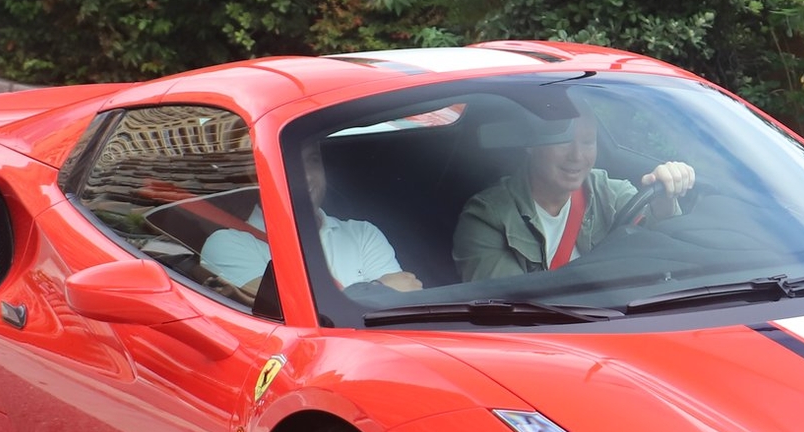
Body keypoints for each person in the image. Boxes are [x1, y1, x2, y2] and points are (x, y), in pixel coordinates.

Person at [453, 110, 694, 282]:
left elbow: (675, 256)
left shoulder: (609, 192)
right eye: (563, 140)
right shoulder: (487, 218)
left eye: (588, 142)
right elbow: (509, 312)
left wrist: (665, 204)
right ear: (532, 144)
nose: (577, 156)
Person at [200, 144, 422, 298]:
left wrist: (376, 294)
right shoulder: (228, 245)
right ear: (255, 173)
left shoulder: (363, 234)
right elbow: (292, 321)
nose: (306, 175)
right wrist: (379, 289)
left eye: (312, 161)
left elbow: (400, 305)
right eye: (289, 161)